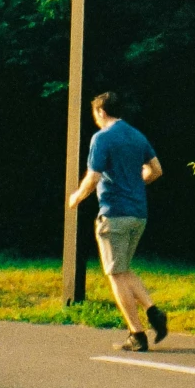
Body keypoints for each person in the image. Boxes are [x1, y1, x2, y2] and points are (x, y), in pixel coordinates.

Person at [68, 91, 167, 351]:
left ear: (101, 111)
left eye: (95, 114)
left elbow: (93, 177)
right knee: (123, 269)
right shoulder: (136, 135)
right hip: (138, 214)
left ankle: (137, 334)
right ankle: (153, 311)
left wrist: (76, 198)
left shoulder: (102, 138)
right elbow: (156, 170)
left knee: (114, 274)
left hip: (114, 213)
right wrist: (136, 183)